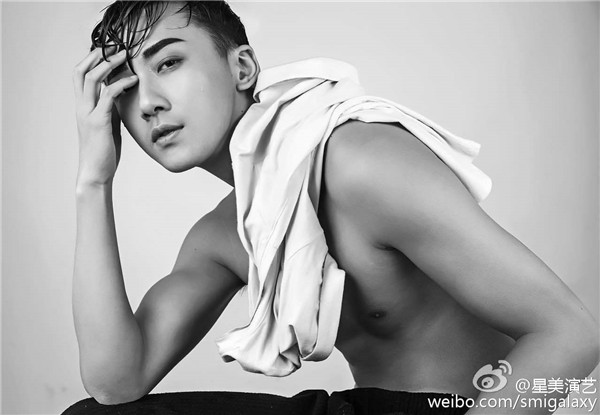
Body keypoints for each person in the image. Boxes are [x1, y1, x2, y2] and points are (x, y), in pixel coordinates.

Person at [64, 1, 599, 414]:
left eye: (169, 62)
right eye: (125, 88)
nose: (148, 102)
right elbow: (117, 383)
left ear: (242, 67)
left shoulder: (360, 161)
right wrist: (94, 179)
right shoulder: (225, 234)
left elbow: (572, 334)